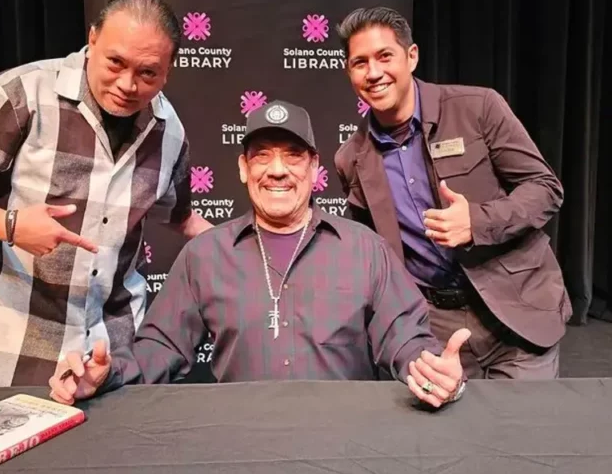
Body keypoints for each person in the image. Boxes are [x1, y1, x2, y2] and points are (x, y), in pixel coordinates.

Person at [49, 100, 471, 410]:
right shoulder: (205, 255)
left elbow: (405, 336)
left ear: (314, 168)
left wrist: (430, 369)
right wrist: (106, 375)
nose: (277, 170)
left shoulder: (364, 248)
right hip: (239, 449)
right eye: (262, 156)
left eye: (293, 156)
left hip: (346, 445)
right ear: (243, 168)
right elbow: (160, 348)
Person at [0, 0, 211, 387]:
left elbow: (181, 218)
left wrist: (251, 248)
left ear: (168, 71)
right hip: (11, 346)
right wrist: (8, 225)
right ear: (93, 38)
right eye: (115, 62)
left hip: (110, 357)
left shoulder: (168, 131)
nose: (127, 85)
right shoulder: (23, 93)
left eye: (147, 73)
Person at [334, 6, 572, 379]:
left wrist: (478, 222)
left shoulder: (477, 108)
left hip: (516, 310)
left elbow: (545, 189)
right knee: (453, 420)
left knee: (524, 418)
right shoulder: (352, 158)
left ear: (412, 56)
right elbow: (373, 253)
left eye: (385, 56)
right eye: (360, 63)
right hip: (435, 328)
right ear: (349, 72)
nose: (374, 72)